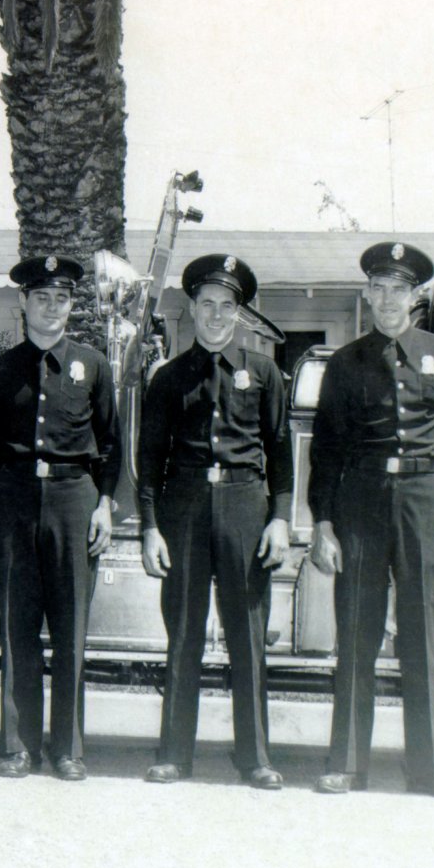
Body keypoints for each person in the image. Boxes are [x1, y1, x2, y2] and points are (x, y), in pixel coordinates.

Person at [307, 241, 434, 800]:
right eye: (378, 289)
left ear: (415, 296)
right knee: (357, 632)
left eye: (398, 290)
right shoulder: (345, 362)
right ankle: (347, 764)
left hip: (424, 500)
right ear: (366, 293)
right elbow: (326, 449)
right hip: (360, 499)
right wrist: (323, 524)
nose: (387, 300)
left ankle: (429, 769)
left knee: (421, 638)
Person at [137, 254, 292, 790]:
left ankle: (256, 758)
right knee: (184, 632)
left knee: (247, 635)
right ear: (192, 309)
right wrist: (150, 527)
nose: (217, 315)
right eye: (208, 304)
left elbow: (280, 453)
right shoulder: (168, 377)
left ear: (239, 313)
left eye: (228, 306)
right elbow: (149, 460)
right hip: (183, 508)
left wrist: (279, 519)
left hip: (245, 507)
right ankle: (174, 754)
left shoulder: (264, 372)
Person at [0, 255, 120, 782]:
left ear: (72, 306)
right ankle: (19, 746)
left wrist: (104, 504)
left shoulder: (92, 365)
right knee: (18, 627)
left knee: (70, 627)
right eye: (42, 297)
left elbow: (110, 444)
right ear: (24, 302)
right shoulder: (1, 369)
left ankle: (68, 750)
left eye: (61, 298)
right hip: (15, 499)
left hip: (74, 499)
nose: (51, 307)